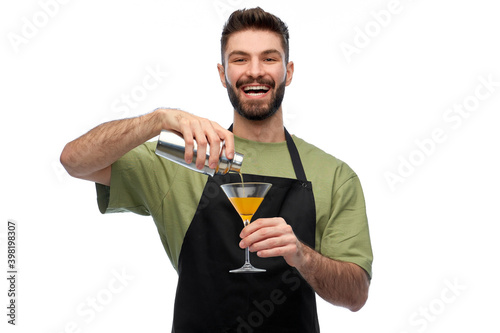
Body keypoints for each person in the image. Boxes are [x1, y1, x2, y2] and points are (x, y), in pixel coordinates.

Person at [60, 7, 373, 332]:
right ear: (223, 73)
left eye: (269, 58)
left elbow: (355, 295)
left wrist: (302, 256)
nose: (255, 71)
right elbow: (74, 160)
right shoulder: (181, 160)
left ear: (288, 71)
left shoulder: (334, 175)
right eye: (240, 59)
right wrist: (159, 120)